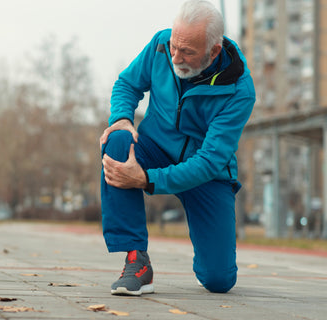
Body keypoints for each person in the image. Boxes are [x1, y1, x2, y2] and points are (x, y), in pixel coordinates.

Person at [99, 0, 255, 296]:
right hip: (153, 149)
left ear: (214, 52)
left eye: (187, 52)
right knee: (117, 140)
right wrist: (121, 117)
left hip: (206, 173)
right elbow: (127, 84)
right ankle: (137, 261)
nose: (175, 56)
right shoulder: (161, 44)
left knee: (219, 281)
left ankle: (209, 266)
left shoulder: (240, 91)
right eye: (174, 46)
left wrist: (147, 180)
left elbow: (209, 161)